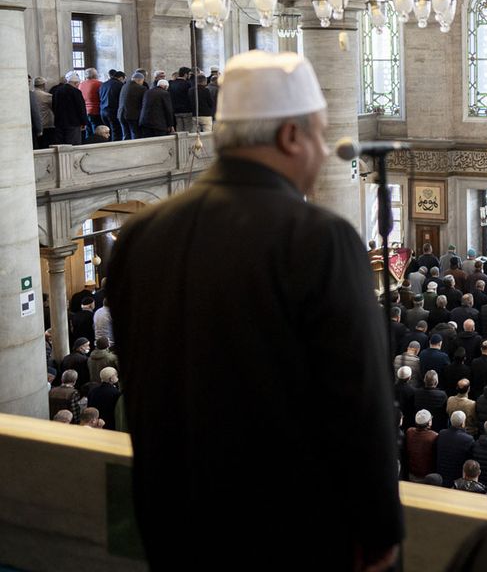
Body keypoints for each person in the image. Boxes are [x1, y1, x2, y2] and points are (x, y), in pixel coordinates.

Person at [108, 52, 401, 569]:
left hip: (171, 532)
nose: (323, 152)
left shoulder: (139, 236)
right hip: (288, 539)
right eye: (320, 136)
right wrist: (380, 533)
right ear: (291, 136)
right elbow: (359, 402)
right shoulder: (318, 239)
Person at [50, 71, 89, 145]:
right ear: (75, 83)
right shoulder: (76, 92)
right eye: (78, 84)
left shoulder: (57, 90)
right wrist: (84, 122)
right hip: (73, 123)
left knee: (62, 146)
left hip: (59, 123)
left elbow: (53, 106)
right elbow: (81, 108)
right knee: (74, 146)